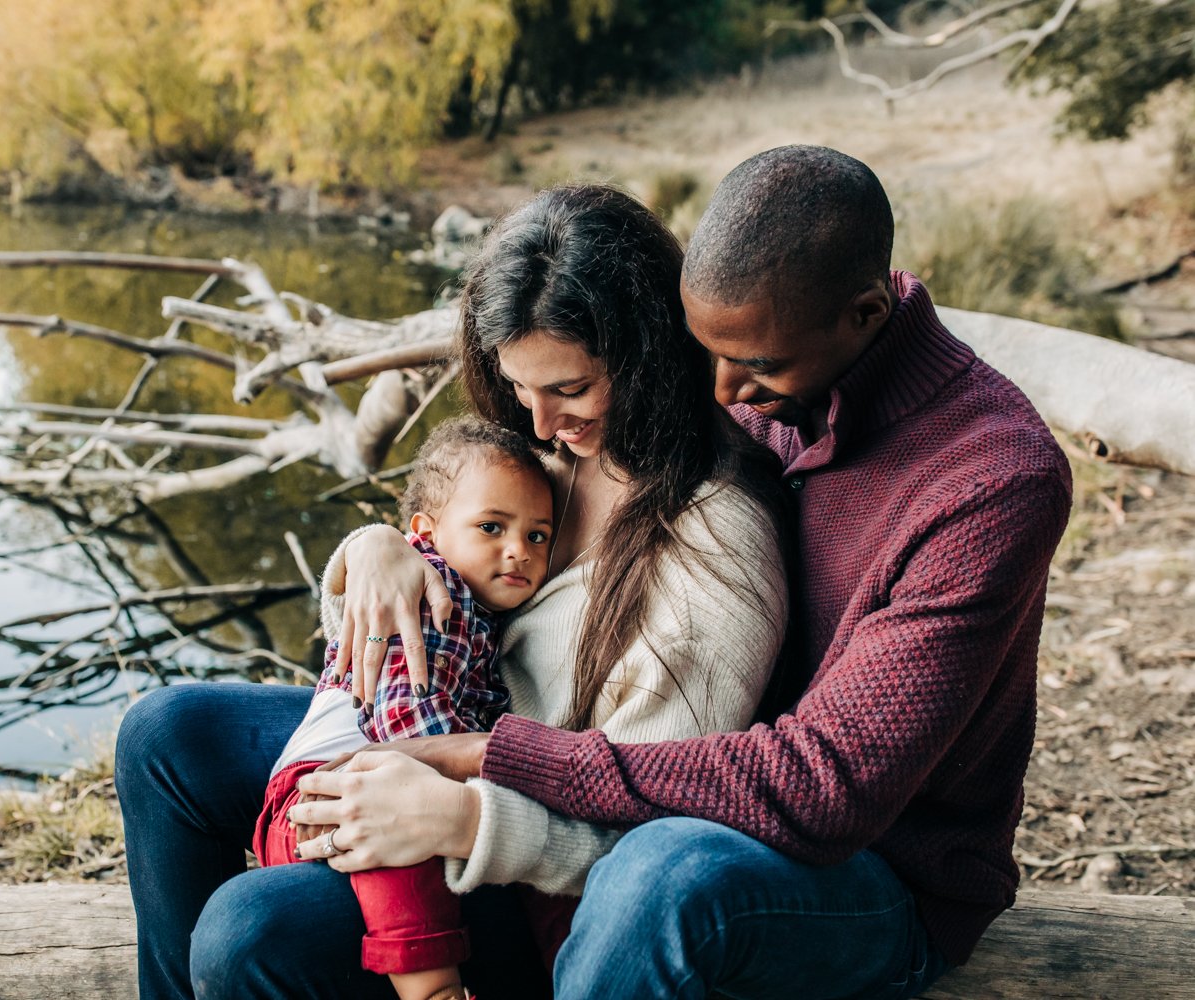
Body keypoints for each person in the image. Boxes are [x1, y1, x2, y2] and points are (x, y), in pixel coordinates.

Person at [293, 146, 1074, 999]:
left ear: (863, 313)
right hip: (695, 777)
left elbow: (828, 788)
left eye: (758, 368)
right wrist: (386, 544)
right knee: (175, 739)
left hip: (876, 873)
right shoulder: (775, 366)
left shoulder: (990, 480)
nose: (724, 391)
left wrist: (498, 757)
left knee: (659, 874)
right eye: (706, 351)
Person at [114, 183, 789, 999]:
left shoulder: (715, 547)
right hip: (438, 726)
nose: (539, 425)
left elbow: (654, 812)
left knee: (249, 930)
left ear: (644, 356)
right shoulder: (557, 457)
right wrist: (375, 552)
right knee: (166, 732)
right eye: (518, 388)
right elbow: (436, 588)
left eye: (570, 390)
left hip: (524, 862)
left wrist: (459, 818)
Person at [253, 416, 555, 1000]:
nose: (518, 551)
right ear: (426, 532)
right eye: (492, 527)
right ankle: (431, 988)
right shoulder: (439, 596)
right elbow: (402, 715)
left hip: (331, 784)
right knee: (404, 841)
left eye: (538, 536)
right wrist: (482, 774)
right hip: (320, 794)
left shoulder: (475, 605)